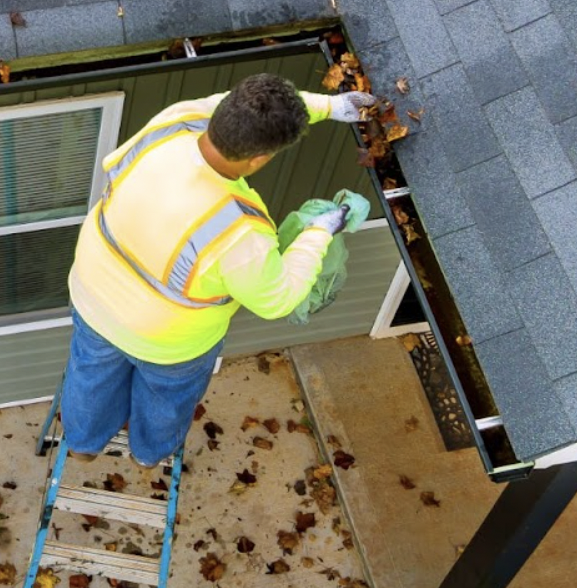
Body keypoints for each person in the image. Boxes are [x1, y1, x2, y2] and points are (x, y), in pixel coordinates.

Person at [60, 72, 375, 467]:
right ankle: (146, 454)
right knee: (165, 398)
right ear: (259, 159)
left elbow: (242, 105)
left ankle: (83, 446)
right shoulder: (238, 231)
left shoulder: (177, 120)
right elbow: (277, 299)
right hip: (168, 342)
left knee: (90, 378)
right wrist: (319, 231)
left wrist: (330, 106)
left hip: (93, 295)